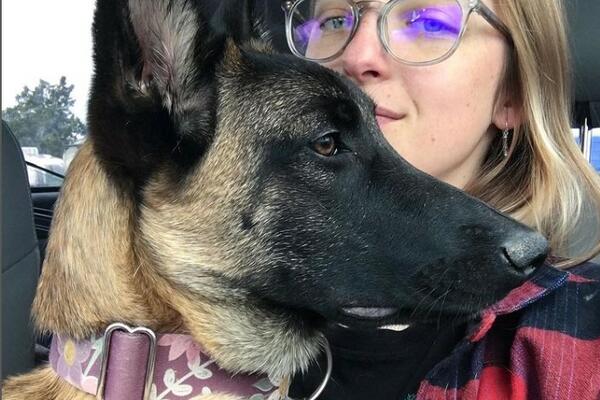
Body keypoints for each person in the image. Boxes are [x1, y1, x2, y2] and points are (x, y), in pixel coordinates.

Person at [279, 0, 600, 398]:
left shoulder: (583, 342)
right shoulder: (210, 288)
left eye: (428, 22)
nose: (358, 56)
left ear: (511, 95)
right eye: (336, 20)